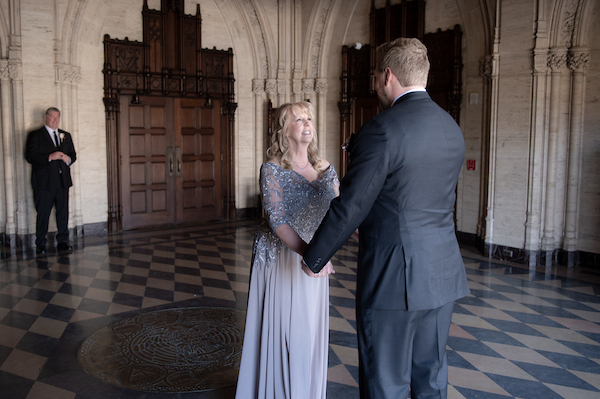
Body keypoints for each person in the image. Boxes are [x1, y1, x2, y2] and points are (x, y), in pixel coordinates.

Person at [302, 38, 470, 399]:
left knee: (385, 384)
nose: (375, 83)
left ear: (387, 75)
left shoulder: (382, 129)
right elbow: (413, 194)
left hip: (393, 279)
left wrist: (315, 258)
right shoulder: (450, 128)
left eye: (376, 75)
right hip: (442, 273)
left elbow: (352, 205)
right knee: (431, 379)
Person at [235, 101, 337, 399]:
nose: (307, 124)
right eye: (298, 119)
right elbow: (276, 220)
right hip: (283, 258)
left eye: (309, 118)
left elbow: (344, 214)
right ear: (284, 130)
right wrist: (313, 255)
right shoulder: (272, 170)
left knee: (309, 331)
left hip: (315, 260)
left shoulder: (326, 168)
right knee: (289, 332)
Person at [25, 107, 77, 255]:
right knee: (43, 214)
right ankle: (40, 244)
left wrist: (69, 159)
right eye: (52, 117)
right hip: (44, 183)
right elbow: (30, 157)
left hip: (63, 182)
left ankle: (62, 242)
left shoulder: (65, 135)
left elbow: (73, 154)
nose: (55, 120)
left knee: (63, 213)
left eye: (57, 118)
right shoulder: (35, 135)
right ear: (46, 117)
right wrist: (50, 157)